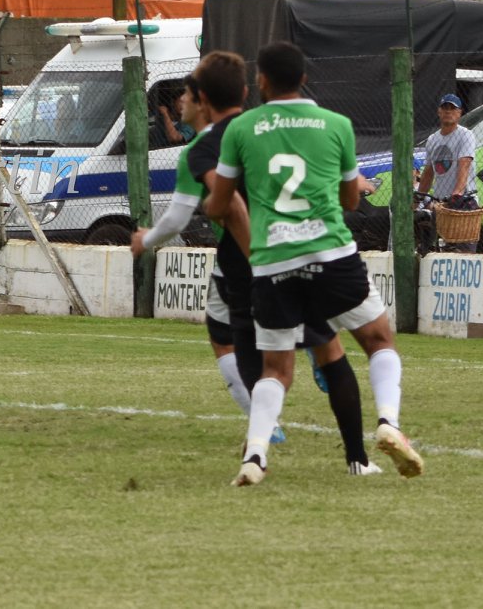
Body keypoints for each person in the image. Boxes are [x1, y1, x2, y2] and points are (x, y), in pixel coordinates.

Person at [132, 54, 380, 476]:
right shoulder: (264, 129)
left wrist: (146, 239)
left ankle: (262, 436)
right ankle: (355, 457)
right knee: (328, 350)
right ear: (246, 90)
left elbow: (219, 210)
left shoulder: (205, 148)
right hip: (301, 255)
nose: (179, 103)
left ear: (201, 99)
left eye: (185, 95)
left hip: (255, 265)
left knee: (247, 352)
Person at [206, 41, 422, 486]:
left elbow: (219, 204)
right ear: (304, 78)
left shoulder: (241, 128)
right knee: (379, 339)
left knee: (275, 369)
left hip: (272, 263)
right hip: (331, 254)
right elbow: (350, 200)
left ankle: (256, 455)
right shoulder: (336, 124)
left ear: (261, 81)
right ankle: (388, 422)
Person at [416, 93, 479, 214]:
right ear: (439, 111)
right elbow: (428, 172)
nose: (448, 111)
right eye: (445, 108)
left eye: (453, 108)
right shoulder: (432, 139)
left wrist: (457, 194)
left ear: (460, 112)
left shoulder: (465, 135)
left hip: (462, 201)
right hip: (440, 203)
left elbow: (465, 163)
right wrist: (418, 199)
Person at [147, 79, 189, 149]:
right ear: (173, 101)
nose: (184, 106)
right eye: (182, 102)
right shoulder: (157, 114)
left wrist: (165, 114)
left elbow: (174, 138)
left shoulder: (189, 123)